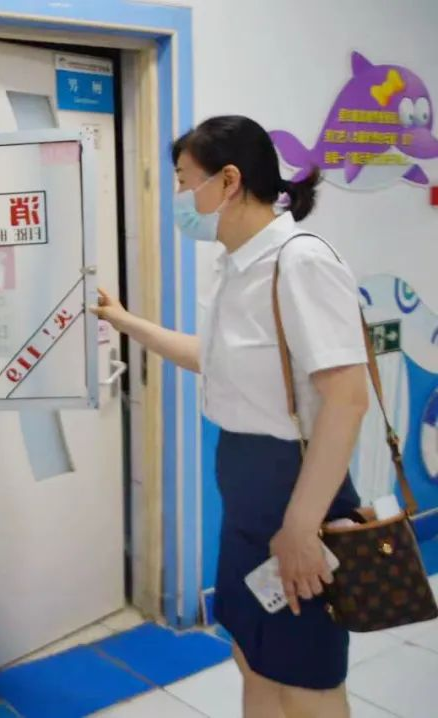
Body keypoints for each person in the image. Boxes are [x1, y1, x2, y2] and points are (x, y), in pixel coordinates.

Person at [94, 116, 369, 718]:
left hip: (296, 493)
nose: (177, 196)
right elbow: (213, 359)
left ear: (229, 180)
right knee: (252, 654)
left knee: (308, 679)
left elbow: (348, 398)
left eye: (182, 179)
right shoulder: (236, 265)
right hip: (246, 495)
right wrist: (124, 321)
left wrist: (301, 525)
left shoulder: (300, 262)